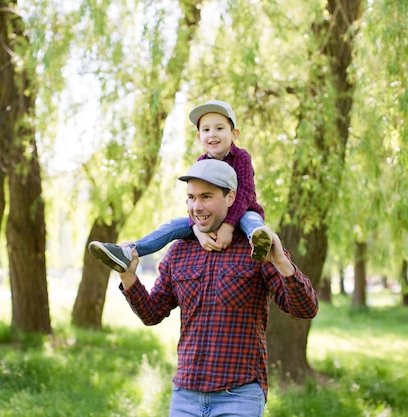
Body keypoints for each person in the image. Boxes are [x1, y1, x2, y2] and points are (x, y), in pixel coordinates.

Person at [116, 159, 318, 417]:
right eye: (191, 197)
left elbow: (305, 308)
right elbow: (152, 313)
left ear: (231, 197)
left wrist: (280, 260)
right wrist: (128, 277)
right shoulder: (178, 251)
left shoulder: (257, 248)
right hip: (185, 396)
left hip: (239, 396)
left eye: (206, 197)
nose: (196, 207)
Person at [89, 99, 273, 272]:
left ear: (234, 134)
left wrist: (228, 227)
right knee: (173, 226)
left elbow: (245, 195)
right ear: (199, 136)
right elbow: (194, 201)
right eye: (206, 130)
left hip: (240, 214)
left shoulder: (241, 158)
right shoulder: (201, 163)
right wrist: (198, 231)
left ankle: (259, 242)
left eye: (219, 128)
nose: (213, 134)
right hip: (209, 217)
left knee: (252, 220)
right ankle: (129, 252)